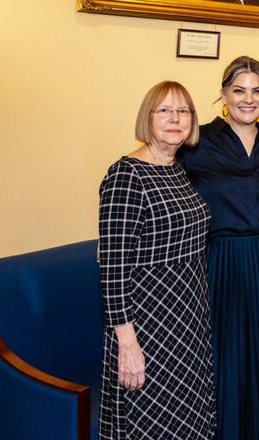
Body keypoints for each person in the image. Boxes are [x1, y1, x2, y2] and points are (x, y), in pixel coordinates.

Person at [178, 55, 259, 440]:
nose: (248, 99)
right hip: (221, 264)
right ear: (223, 94)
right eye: (239, 90)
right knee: (226, 362)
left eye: (257, 91)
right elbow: (175, 204)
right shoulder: (196, 142)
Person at [98, 81, 215, 440]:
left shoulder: (178, 169)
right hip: (148, 327)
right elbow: (113, 269)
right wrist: (127, 344)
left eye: (183, 111)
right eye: (164, 110)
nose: (175, 119)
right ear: (147, 118)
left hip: (189, 322)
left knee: (190, 420)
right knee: (153, 424)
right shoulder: (127, 175)